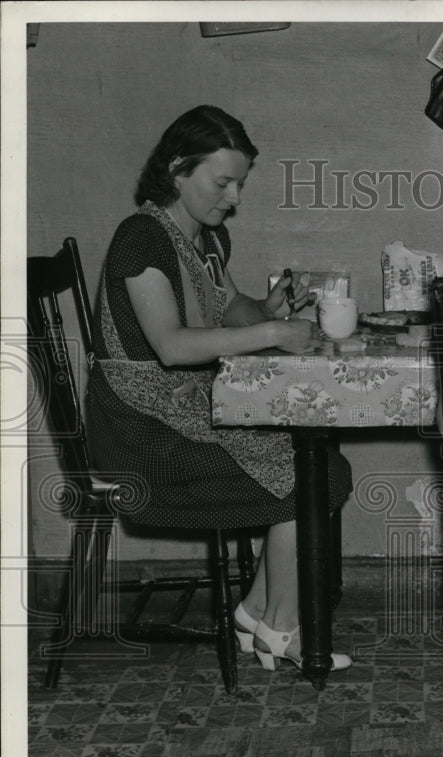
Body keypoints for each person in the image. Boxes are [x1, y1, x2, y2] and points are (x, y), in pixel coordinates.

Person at [86, 105, 353, 673]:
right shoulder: (141, 239)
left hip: (184, 408)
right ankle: (277, 625)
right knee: (312, 472)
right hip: (136, 427)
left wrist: (266, 308)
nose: (233, 197)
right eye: (222, 182)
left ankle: (261, 613)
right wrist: (275, 332)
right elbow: (172, 346)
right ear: (179, 170)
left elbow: (229, 307)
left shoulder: (207, 237)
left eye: (239, 184)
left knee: (321, 461)